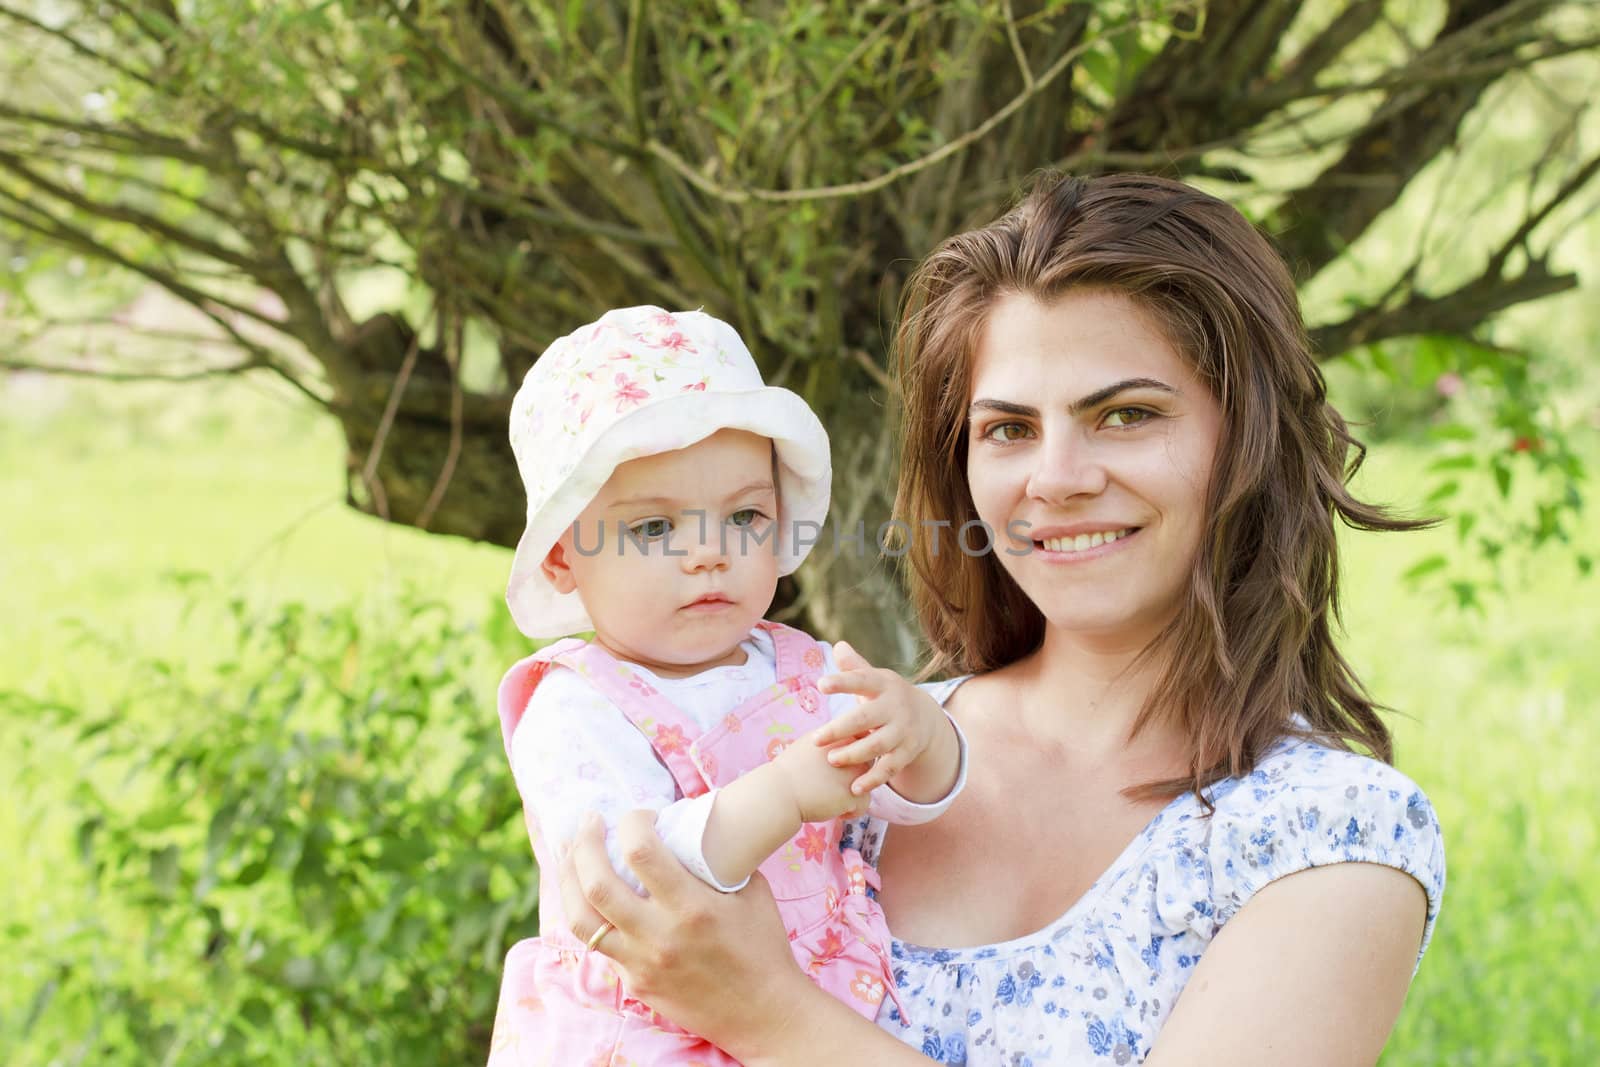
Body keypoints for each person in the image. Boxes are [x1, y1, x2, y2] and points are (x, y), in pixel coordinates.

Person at [551, 174, 1448, 1065]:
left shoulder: (1327, 834)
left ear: (1248, 438)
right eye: (1009, 429)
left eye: (1126, 414)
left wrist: (769, 1016)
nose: (1056, 478)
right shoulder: (851, 754)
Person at [485, 306, 968, 1066]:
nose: (709, 551)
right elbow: (625, 880)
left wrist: (921, 737)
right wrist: (786, 793)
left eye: (744, 514)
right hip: (651, 1028)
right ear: (559, 560)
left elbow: (895, 801)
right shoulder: (577, 706)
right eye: (654, 529)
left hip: (814, 1016)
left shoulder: (799, 666)